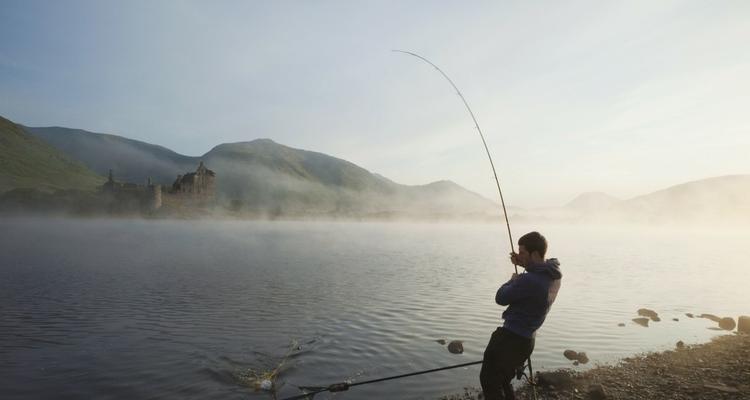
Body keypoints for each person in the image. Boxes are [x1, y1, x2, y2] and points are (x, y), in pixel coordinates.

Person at [480, 231, 562, 400]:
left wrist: (513, 280)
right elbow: (538, 271)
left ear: (536, 254)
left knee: (489, 381)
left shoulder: (529, 280)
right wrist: (524, 263)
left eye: (523, 253)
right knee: (503, 380)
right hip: (527, 341)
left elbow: (500, 298)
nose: (519, 255)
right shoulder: (553, 274)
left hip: (510, 339)